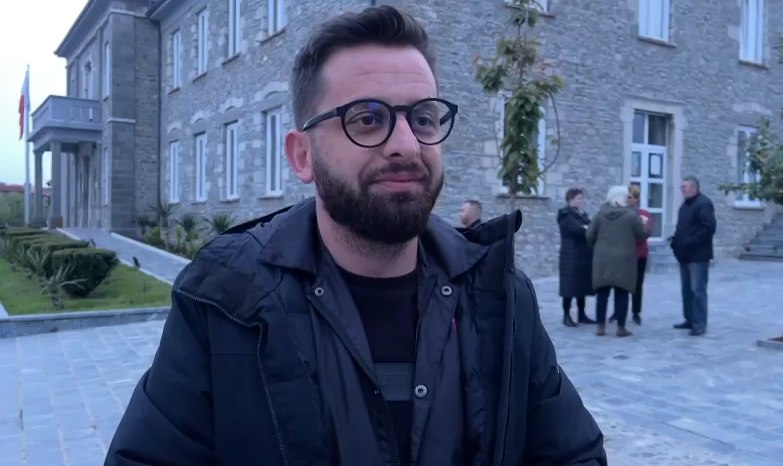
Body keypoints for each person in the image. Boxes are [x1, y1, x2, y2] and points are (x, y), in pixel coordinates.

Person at [104, 6, 606, 466]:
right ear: (302, 156)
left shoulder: (498, 292)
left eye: (424, 118)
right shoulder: (223, 299)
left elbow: (573, 456)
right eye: (367, 119)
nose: (407, 145)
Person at [586, 185, 649, 337]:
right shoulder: (631, 216)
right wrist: (644, 225)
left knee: (602, 293)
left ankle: (601, 326)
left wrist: (597, 248)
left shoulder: (599, 215)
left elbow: (589, 235)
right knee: (622, 292)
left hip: (602, 259)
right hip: (624, 259)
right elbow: (641, 236)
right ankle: (621, 327)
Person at [669, 175, 716, 336]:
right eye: (681, 187)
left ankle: (699, 323)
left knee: (697, 290)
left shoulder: (703, 204)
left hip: (698, 255)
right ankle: (689, 319)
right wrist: (675, 241)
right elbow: (682, 227)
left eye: (685, 187)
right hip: (684, 255)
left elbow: (708, 228)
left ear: (694, 188)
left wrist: (689, 242)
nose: (682, 189)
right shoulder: (685, 205)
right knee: (687, 289)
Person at [609, 184, 652, 325]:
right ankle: (618, 311)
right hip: (622, 254)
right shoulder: (619, 213)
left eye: (632, 197)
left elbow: (646, 233)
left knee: (637, 284)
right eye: (627, 197)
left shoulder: (644, 214)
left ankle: (636, 312)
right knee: (619, 284)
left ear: (637, 199)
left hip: (639, 254)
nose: (629, 200)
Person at [557, 187, 596, 327]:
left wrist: (587, 227)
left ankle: (582, 314)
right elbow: (578, 229)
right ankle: (566, 315)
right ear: (570, 199)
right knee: (569, 286)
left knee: (581, 285)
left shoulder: (581, 213)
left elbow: (590, 227)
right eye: (578, 198)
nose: (581, 201)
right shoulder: (565, 214)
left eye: (581, 198)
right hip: (570, 255)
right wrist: (586, 228)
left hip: (583, 255)